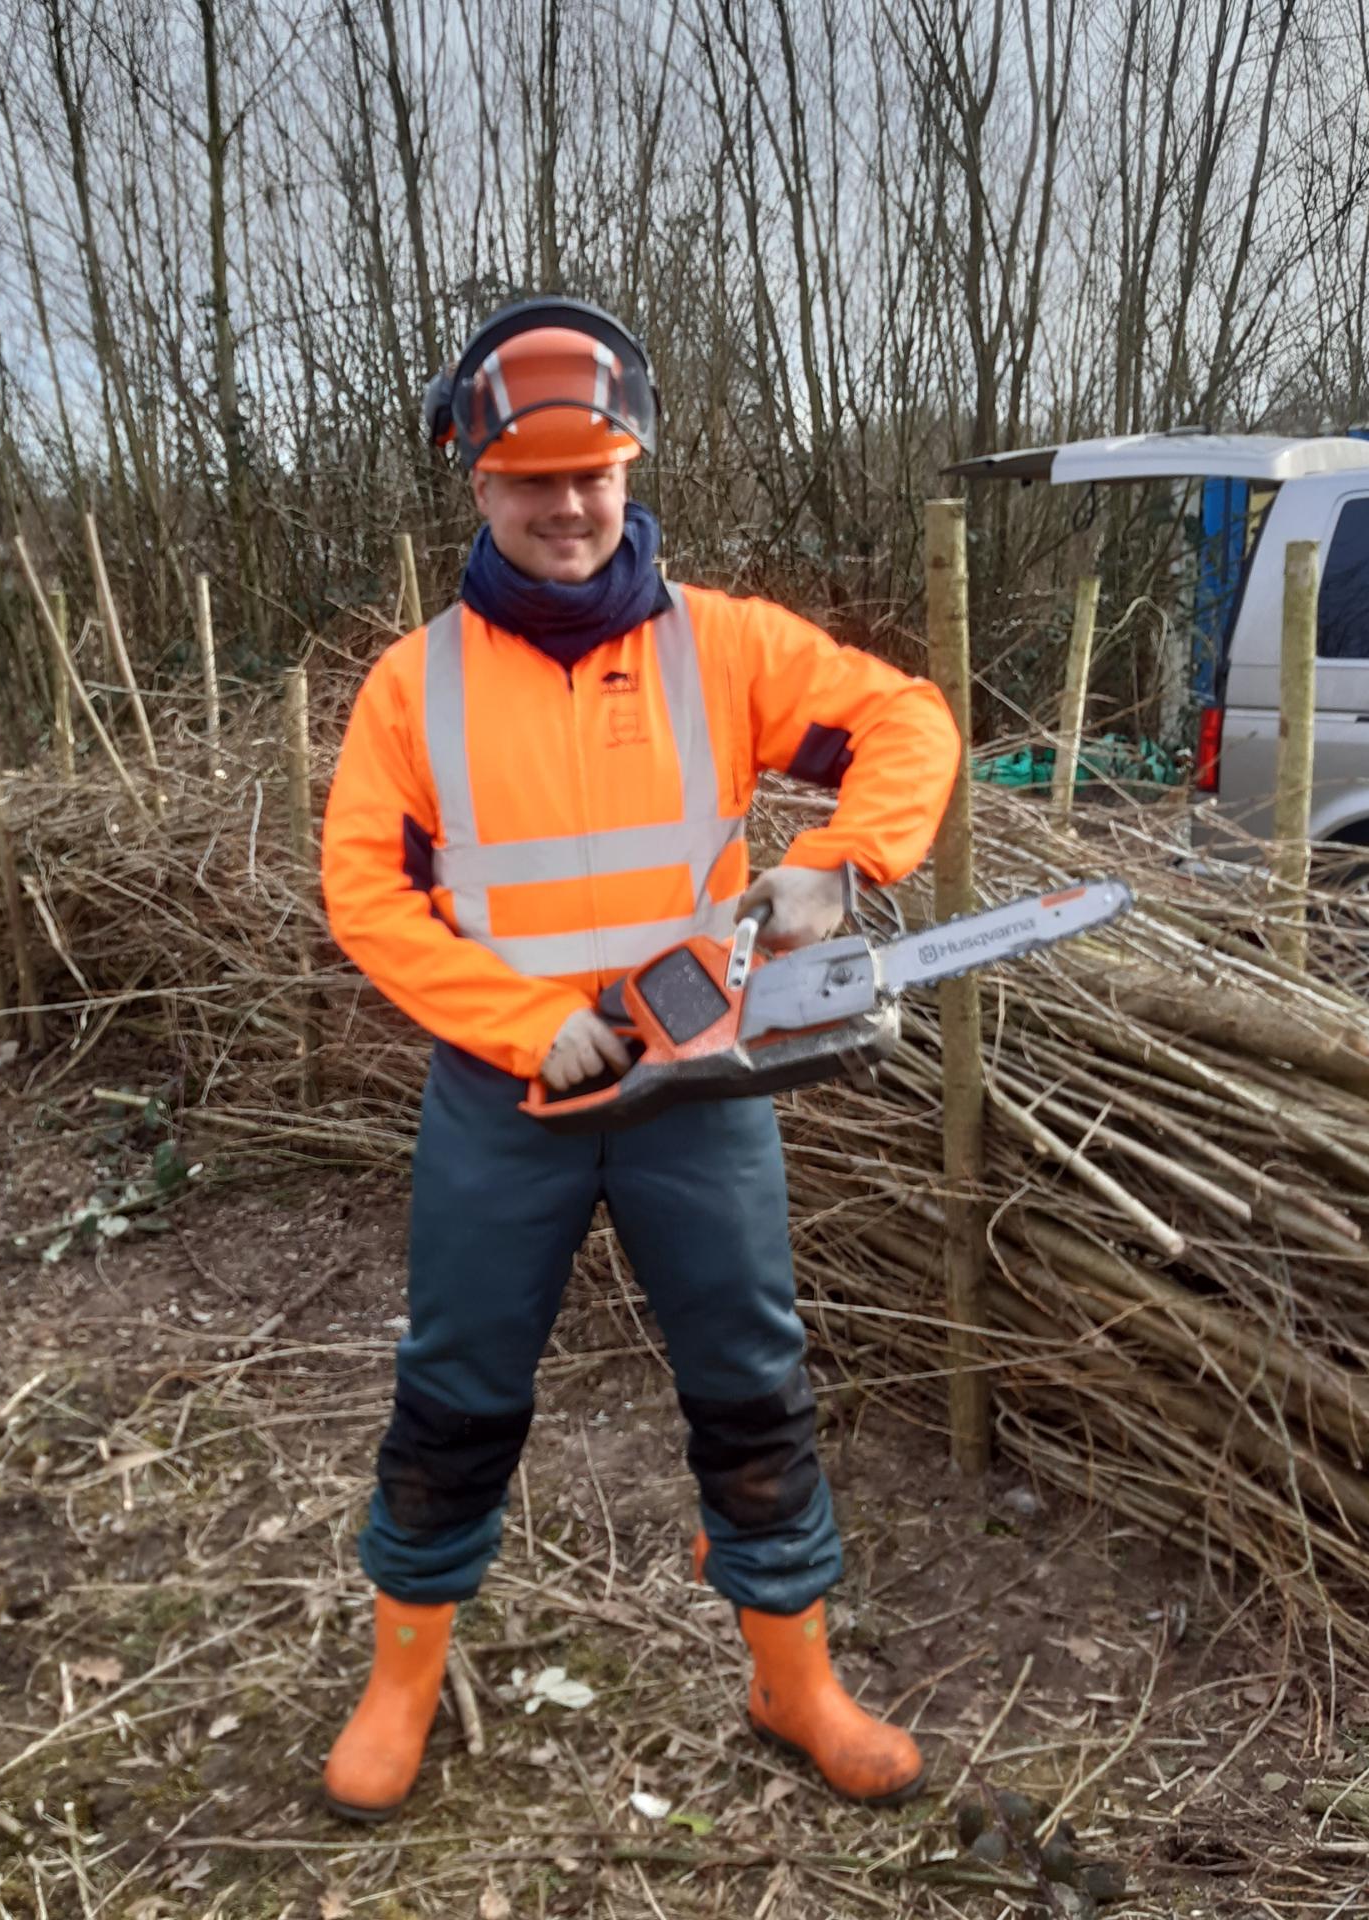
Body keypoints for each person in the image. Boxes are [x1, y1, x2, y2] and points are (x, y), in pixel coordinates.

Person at [319, 296, 961, 1821]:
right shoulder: (416, 686)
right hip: (508, 1095)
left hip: (699, 1091)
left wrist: (843, 863)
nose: (567, 506)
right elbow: (366, 894)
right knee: (457, 1385)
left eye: (592, 474)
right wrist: (519, 1020)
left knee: (751, 1379)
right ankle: (402, 1676)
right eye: (532, 481)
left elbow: (910, 722)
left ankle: (792, 1674)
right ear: (478, 482)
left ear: (630, 471)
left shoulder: (720, 647)